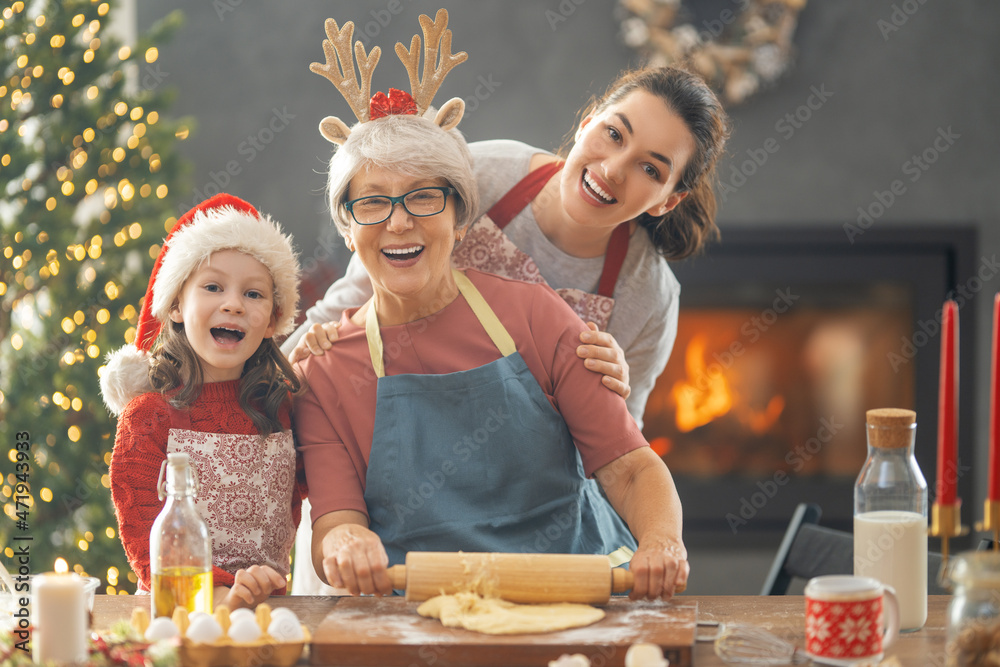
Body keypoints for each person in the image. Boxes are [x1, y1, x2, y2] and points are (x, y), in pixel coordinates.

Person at [295, 9, 690, 600]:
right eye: (373, 204)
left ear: (460, 214)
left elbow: (628, 465)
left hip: (567, 592)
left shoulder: (546, 316)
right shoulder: (323, 371)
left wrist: (662, 541)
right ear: (347, 231)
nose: (400, 221)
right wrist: (345, 542)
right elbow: (336, 520)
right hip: (418, 610)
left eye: (425, 198)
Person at [285, 65, 730, 429]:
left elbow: (621, 448)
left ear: (668, 201)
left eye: (650, 169)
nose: (614, 169)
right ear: (587, 120)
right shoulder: (480, 176)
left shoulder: (649, 297)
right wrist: (255, 407)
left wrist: (613, 393)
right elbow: (349, 302)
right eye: (615, 134)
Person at [100, 193, 305, 610]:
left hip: (269, 613)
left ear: (272, 320)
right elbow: (141, 533)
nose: (233, 303)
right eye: (213, 287)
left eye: (254, 294)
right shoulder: (149, 417)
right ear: (176, 305)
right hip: (181, 610)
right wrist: (215, 590)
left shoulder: (282, 408)